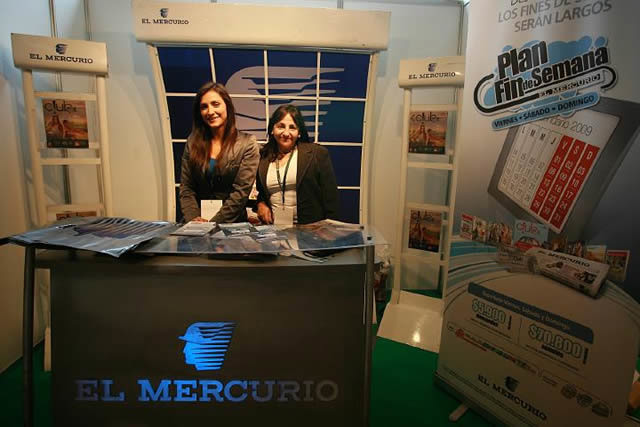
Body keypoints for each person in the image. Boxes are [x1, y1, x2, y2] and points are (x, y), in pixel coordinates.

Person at [180, 82, 259, 223]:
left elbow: (240, 193)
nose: (210, 111)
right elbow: (187, 187)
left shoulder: (247, 143)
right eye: (204, 107)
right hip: (196, 224)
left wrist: (213, 224)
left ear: (227, 106)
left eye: (215, 104)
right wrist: (194, 220)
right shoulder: (192, 142)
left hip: (231, 226)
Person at [255, 104, 339, 225]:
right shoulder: (263, 157)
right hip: (274, 229)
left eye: (292, 128)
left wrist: (330, 229)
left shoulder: (317, 154)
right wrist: (260, 203)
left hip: (310, 230)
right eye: (281, 126)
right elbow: (261, 193)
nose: (286, 133)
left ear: (299, 132)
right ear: (272, 130)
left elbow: (331, 199)